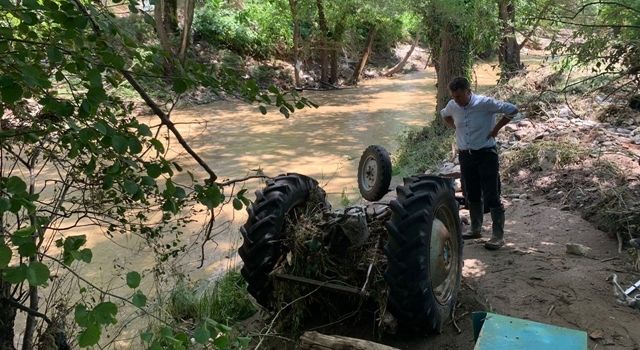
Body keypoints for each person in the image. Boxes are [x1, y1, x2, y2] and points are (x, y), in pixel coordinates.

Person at [440, 76, 518, 250]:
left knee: (491, 193)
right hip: (465, 155)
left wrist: (496, 129)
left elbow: (512, 110)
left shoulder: (485, 103)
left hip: (485, 154)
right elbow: (444, 114)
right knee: (471, 192)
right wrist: (454, 127)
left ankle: (498, 235)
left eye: (460, 96)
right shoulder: (453, 105)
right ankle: (476, 228)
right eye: (454, 97)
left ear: (469, 91)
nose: (457, 101)